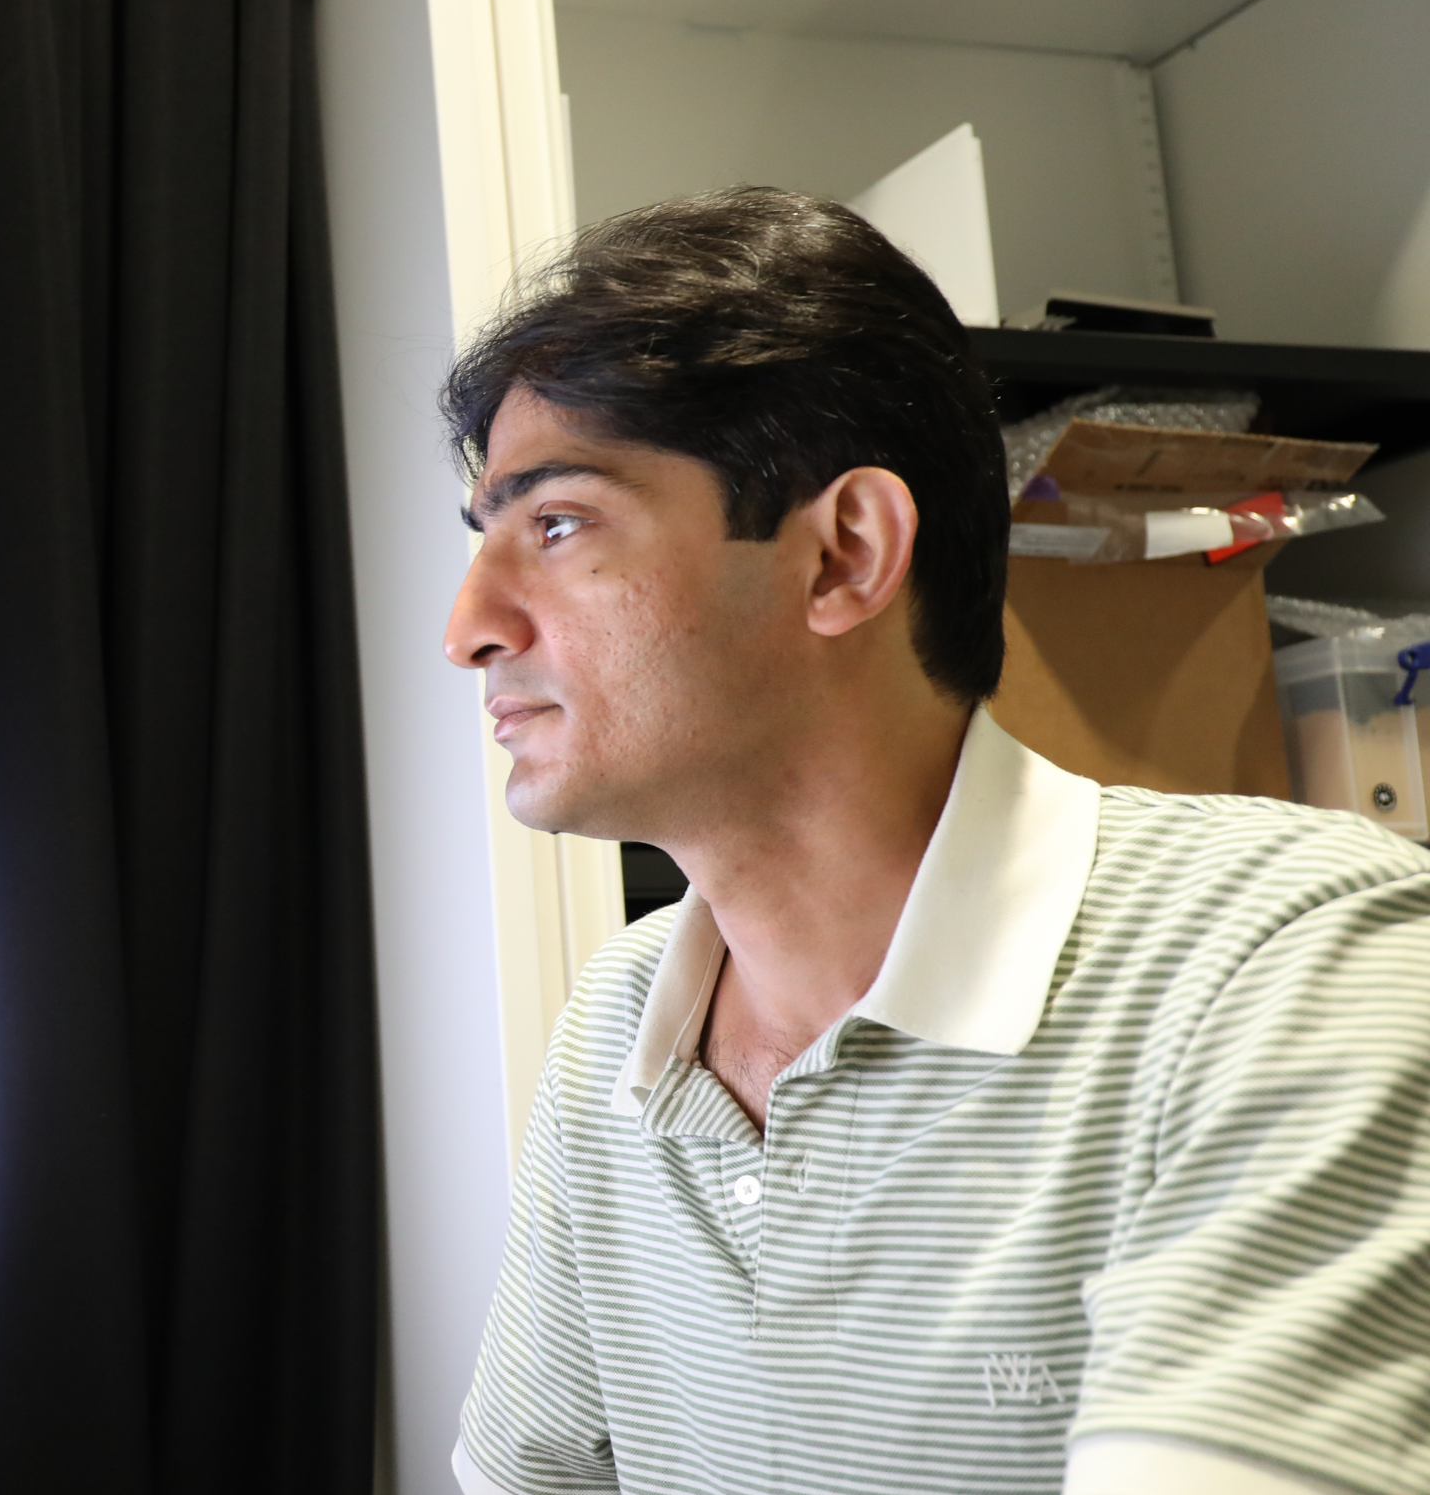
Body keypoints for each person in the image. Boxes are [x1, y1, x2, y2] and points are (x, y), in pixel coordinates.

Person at [438, 187, 1430, 1495]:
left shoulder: (1295, 961)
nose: (470, 627)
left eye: (556, 523)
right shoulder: (617, 1032)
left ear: (846, 552)